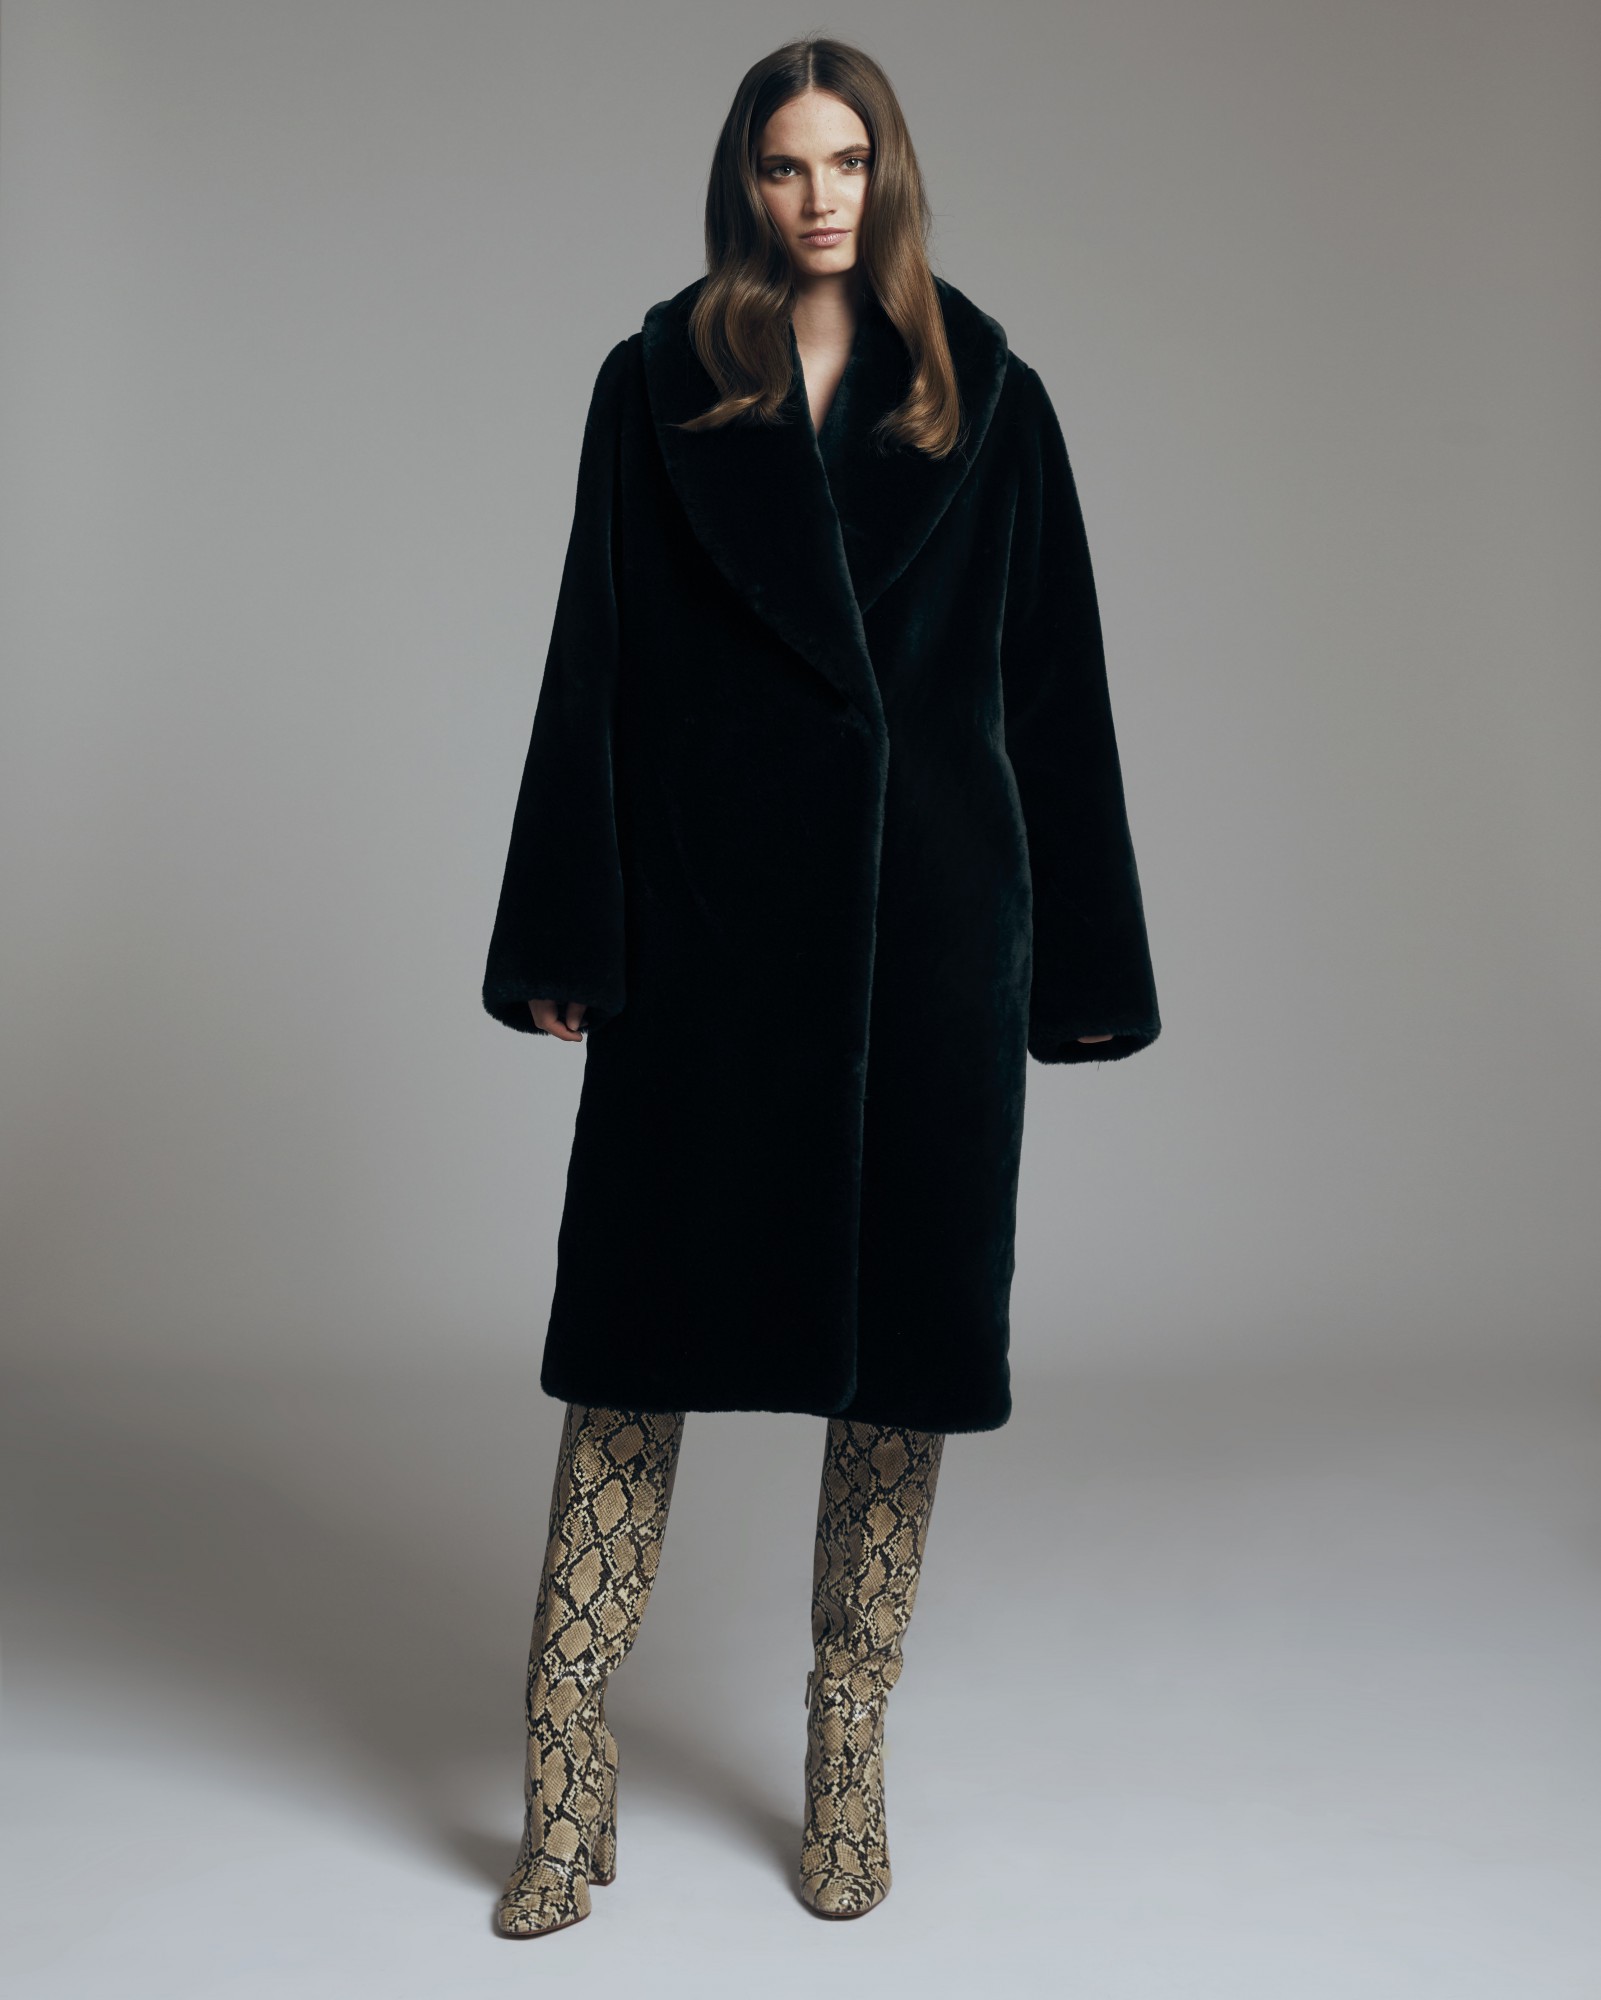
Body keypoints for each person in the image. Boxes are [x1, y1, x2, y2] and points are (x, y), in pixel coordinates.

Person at [479, 37, 1161, 1938]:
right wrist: (564, 937)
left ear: (889, 172)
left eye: (846, 160)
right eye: (785, 166)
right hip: (709, 940)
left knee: (898, 1376)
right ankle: (563, 1782)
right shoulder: (654, 386)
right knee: (632, 1357)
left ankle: (846, 1761)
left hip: (924, 946)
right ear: (745, 185)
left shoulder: (987, 395)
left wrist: (1081, 966)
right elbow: (591, 661)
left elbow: (1054, 688)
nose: (818, 197)